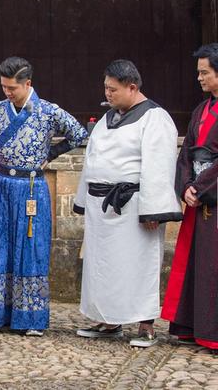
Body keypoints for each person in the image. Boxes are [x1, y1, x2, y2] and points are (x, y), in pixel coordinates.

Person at [0, 56, 87, 337]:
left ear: (28, 84)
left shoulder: (48, 111)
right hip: (1, 183)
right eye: (4, 87)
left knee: (30, 248)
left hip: (31, 186)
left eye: (12, 88)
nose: (7, 93)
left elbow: (78, 134)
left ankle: (30, 318)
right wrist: (2, 153)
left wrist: (51, 154)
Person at [74, 60, 182, 347]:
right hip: (101, 206)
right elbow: (91, 160)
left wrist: (153, 209)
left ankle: (144, 324)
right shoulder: (107, 119)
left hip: (133, 205)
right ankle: (110, 320)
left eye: (113, 89)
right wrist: (84, 200)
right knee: (104, 265)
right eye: (106, 88)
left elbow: (158, 166)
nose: (107, 94)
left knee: (138, 263)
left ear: (132, 87)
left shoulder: (154, 118)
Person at [161, 43, 218, 349]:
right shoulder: (200, 110)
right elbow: (185, 154)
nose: (199, 78)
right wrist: (185, 186)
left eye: (204, 72)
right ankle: (193, 326)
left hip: (213, 198)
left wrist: (203, 186)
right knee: (196, 264)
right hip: (198, 198)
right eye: (199, 72)